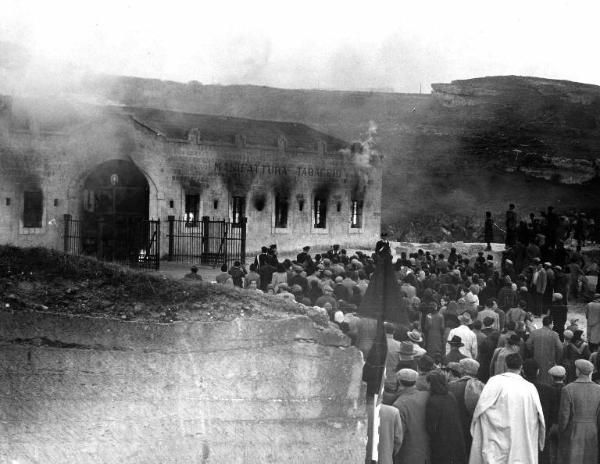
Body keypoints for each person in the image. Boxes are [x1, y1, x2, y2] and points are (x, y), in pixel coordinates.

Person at [470, 353, 545, 464]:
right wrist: (540, 440)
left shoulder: (494, 382)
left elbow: (481, 408)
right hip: (521, 437)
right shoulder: (530, 388)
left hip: (496, 438)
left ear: (505, 365)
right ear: (521, 367)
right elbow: (540, 418)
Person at [557, 359, 600, 464]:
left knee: (573, 459)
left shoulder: (568, 389)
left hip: (574, 430)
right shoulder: (598, 389)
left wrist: (561, 431)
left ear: (578, 371)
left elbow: (564, 416)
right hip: (592, 431)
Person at [425, 370, 467, 464]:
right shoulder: (450, 396)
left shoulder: (433, 401)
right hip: (455, 439)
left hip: (441, 442)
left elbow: (431, 427)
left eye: (428, 383)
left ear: (432, 384)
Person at [392, 369, 431, 464]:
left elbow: (398, 438)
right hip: (427, 454)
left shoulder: (398, 405)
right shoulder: (426, 396)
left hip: (408, 457)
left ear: (399, 382)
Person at [448, 358, 481, 453]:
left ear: (461, 370)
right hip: (474, 432)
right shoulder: (482, 387)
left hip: (456, 432)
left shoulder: (451, 387)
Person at [526, 315, 563, 385]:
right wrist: (557, 360)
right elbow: (560, 348)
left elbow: (528, 344)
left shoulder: (534, 333)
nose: (553, 325)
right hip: (550, 361)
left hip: (536, 359)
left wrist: (533, 352)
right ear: (550, 324)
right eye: (552, 324)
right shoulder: (554, 334)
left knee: (537, 377)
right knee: (548, 379)